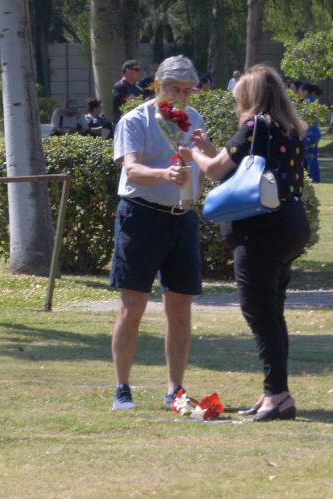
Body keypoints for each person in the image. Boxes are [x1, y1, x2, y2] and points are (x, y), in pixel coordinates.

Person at [179, 65, 311, 422]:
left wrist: (195, 155)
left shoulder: (255, 126)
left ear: (250, 97)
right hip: (290, 222)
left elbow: (217, 172)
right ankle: (274, 391)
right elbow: (252, 174)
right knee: (273, 313)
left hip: (260, 232)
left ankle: (278, 395)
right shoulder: (289, 129)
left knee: (259, 314)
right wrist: (210, 150)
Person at [109, 55, 208, 411]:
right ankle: (122, 387)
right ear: (157, 86)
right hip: (142, 215)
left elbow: (206, 162)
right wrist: (165, 175)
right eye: (174, 89)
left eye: (187, 90)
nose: (182, 97)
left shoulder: (194, 119)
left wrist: (205, 154)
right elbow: (132, 169)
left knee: (179, 307)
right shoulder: (135, 119)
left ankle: (175, 389)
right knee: (133, 305)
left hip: (182, 218)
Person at [299, 83, 322, 183]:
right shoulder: (310, 101)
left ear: (305, 92)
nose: (298, 93)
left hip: (310, 135)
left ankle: (315, 178)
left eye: (300, 91)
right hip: (312, 134)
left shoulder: (309, 103)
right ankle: (312, 177)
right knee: (310, 157)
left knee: (311, 157)